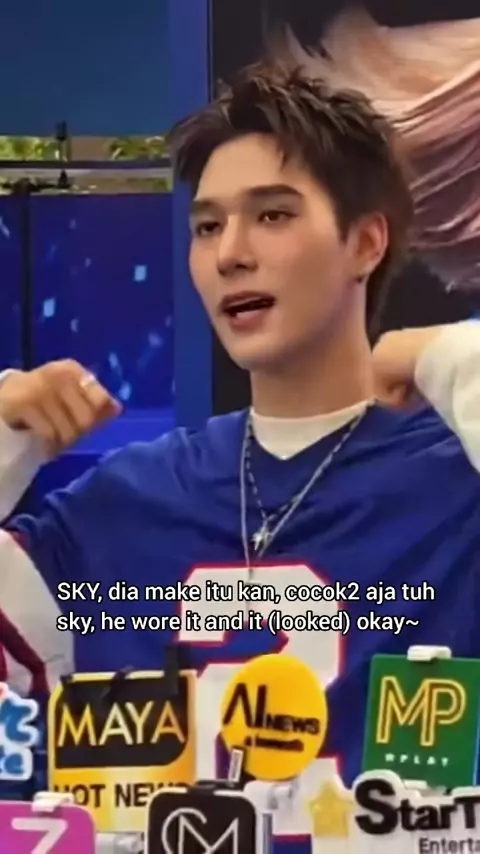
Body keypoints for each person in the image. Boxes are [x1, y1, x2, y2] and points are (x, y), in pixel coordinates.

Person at [1, 64, 480, 853]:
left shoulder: (455, 486)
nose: (230, 254)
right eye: (207, 226)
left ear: (365, 242)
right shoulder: (124, 502)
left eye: (273, 215)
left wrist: (448, 356)